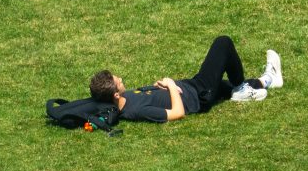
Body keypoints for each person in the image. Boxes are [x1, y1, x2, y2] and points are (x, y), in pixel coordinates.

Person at [89, 35, 283, 122]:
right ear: (115, 93)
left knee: (226, 87)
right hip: (199, 95)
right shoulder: (135, 110)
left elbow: (150, 96)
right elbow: (177, 113)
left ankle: (269, 79)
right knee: (223, 43)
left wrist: (157, 86)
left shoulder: (126, 99)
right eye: (118, 81)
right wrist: (172, 86)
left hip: (193, 87)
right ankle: (241, 88)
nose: (121, 78)